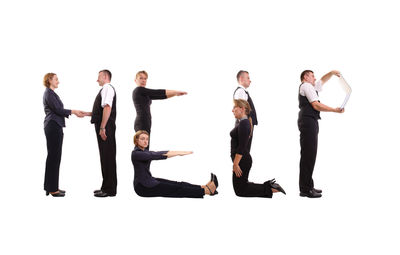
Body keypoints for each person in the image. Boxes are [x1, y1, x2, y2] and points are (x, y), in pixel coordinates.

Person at [298, 70, 344, 198]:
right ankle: (305, 189)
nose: (314, 78)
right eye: (312, 75)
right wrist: (334, 110)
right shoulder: (306, 86)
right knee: (308, 154)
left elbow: (322, 80)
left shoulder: (311, 86)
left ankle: (308, 186)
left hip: (309, 120)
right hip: (308, 121)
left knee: (310, 154)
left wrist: (332, 73)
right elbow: (316, 105)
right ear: (305, 77)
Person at [131, 130, 218, 198]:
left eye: (147, 139)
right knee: (176, 189)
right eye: (142, 139)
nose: (146, 141)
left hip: (148, 180)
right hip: (143, 187)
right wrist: (179, 153)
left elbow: (153, 154)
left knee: (177, 184)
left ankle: (203, 187)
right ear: (136, 140)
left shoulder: (143, 151)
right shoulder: (136, 154)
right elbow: (156, 154)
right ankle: (206, 191)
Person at [230, 99, 285, 198]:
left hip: (241, 161)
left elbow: (242, 146)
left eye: (235, 108)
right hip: (241, 160)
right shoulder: (243, 122)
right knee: (241, 187)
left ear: (242, 109)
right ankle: (270, 187)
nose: (232, 110)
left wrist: (235, 163)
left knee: (240, 190)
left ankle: (271, 188)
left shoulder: (244, 123)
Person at [42, 73, 85, 197]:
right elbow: (57, 110)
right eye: (56, 79)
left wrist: (73, 112)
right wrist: (74, 111)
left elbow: (58, 110)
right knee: (53, 157)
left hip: (55, 125)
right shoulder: (48, 93)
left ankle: (51, 186)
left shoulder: (52, 93)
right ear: (49, 80)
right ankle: (52, 188)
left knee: (54, 157)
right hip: (53, 125)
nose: (58, 81)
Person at [86, 69, 118, 197]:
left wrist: (102, 128)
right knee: (105, 157)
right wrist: (89, 113)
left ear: (105, 77)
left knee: (108, 157)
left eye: (99, 77)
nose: (97, 79)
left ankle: (109, 190)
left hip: (106, 128)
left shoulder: (107, 88)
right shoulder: (105, 89)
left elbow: (107, 107)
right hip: (104, 126)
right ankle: (106, 187)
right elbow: (102, 109)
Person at [132, 71, 187, 136]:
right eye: (141, 78)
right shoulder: (139, 90)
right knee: (142, 145)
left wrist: (175, 94)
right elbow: (157, 92)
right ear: (135, 80)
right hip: (141, 122)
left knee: (145, 144)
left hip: (146, 121)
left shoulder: (145, 94)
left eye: (145, 78)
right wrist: (175, 92)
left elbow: (161, 96)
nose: (143, 80)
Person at [233, 70, 257, 150]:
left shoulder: (243, 92)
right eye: (248, 78)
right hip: (244, 125)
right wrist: (246, 126)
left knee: (245, 150)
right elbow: (241, 111)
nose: (250, 80)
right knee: (243, 151)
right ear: (241, 79)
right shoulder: (240, 91)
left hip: (245, 124)